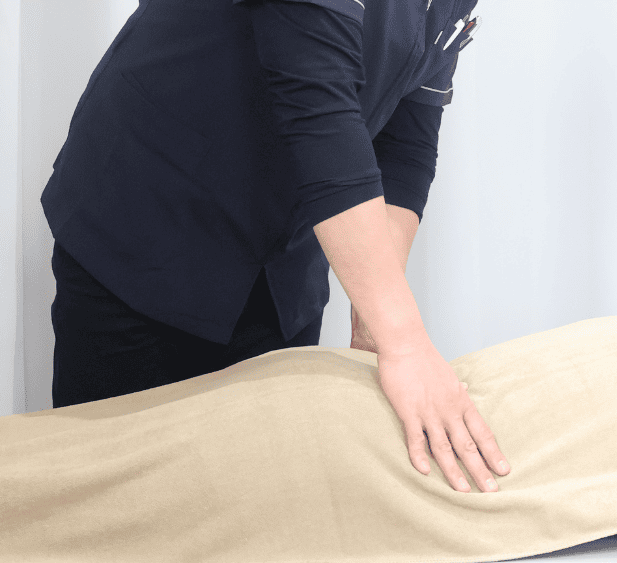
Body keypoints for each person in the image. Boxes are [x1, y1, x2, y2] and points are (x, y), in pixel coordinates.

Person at [42, 0, 510, 492]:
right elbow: (319, 110)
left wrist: (377, 324)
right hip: (147, 227)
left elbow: (406, 147)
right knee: (115, 500)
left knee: (258, 496)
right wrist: (406, 344)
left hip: (280, 270)